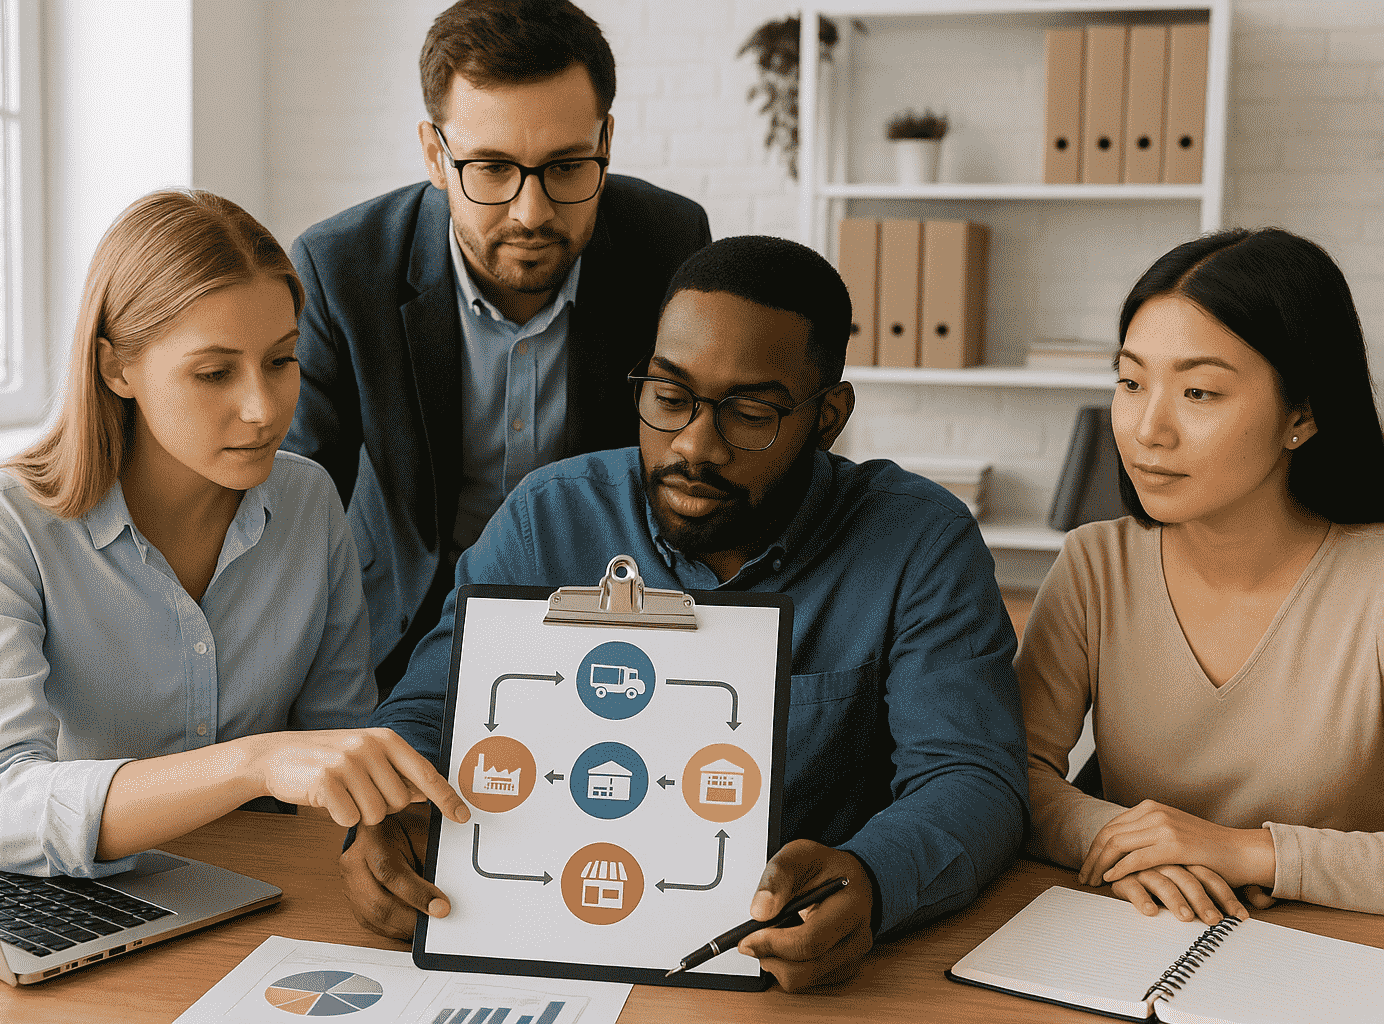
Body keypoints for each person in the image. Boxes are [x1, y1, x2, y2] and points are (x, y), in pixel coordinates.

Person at [339, 235, 1029, 991]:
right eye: (669, 399)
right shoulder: (550, 517)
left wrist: (871, 879)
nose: (695, 446)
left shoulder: (919, 542)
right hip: (544, 941)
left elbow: (972, 776)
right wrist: (378, 821)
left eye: (750, 413)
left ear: (828, 416)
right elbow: (427, 709)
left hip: (766, 968)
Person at [0, 189, 468, 880]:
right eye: (214, 373)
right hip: (76, 896)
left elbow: (336, 747)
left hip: (257, 889)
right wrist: (253, 764)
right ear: (115, 368)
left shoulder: (307, 500)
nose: (263, 408)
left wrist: (370, 844)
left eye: (282, 360)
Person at [282, 0, 712, 696]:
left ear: (606, 140)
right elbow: (294, 499)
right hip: (403, 633)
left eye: (568, 167)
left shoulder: (670, 242)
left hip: (610, 622)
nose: (531, 212)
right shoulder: (340, 268)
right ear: (435, 155)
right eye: (490, 168)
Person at [1020, 227, 1384, 925]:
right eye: (1130, 383)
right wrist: (1117, 840)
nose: (1147, 428)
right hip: (1138, 933)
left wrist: (1245, 853)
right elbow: (1006, 780)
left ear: (1301, 413)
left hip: (1337, 956)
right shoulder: (1095, 566)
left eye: (1199, 392)